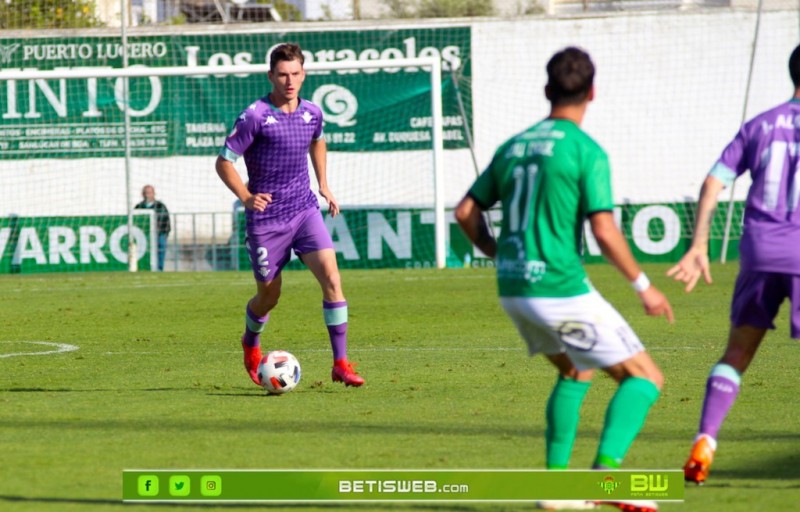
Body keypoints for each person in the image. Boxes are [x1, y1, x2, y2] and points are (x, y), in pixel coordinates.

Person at [455, 47, 673, 512]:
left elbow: (465, 212)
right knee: (645, 379)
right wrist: (644, 286)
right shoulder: (584, 149)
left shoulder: (513, 145)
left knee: (578, 369)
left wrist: (495, 251)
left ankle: (557, 488)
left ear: (547, 90)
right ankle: (602, 485)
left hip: (514, 287)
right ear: (592, 92)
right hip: (558, 289)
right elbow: (604, 229)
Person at [668, 43, 800, 485]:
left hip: (761, 251)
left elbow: (713, 181)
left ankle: (705, 440)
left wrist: (699, 244)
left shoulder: (761, 124)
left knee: (738, 353)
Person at [215, 42, 364, 388]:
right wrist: (247, 196)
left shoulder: (312, 112)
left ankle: (340, 363)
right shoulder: (254, 115)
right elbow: (224, 161)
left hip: (304, 210)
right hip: (267, 221)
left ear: (304, 74)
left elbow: (318, 140)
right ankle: (251, 340)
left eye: (295, 73)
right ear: (271, 76)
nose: (289, 81)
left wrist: (324, 183)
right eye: (282, 74)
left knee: (332, 279)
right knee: (269, 296)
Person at [135, 184, 170, 271]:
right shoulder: (139, 207)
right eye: (146, 193)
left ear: (154, 194)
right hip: (144, 234)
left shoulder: (160, 206)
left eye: (149, 193)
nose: (147, 195)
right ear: (142, 194)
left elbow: (166, 220)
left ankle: (159, 268)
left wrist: (164, 232)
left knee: (161, 247)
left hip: (159, 233)